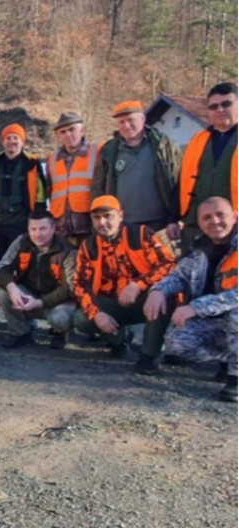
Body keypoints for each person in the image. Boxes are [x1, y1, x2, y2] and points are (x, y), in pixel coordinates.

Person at [145, 197, 237, 403]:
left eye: (220, 215)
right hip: (214, 322)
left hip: (231, 315)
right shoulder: (199, 248)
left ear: (234, 216)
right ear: (200, 223)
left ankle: (235, 377)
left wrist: (195, 307)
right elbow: (179, 275)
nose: (214, 221)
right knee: (176, 343)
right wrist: (158, 291)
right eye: (207, 217)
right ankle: (232, 358)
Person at [73, 196, 177, 374]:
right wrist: (97, 314)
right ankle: (119, 340)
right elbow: (80, 284)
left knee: (162, 297)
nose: (102, 222)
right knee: (81, 319)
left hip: (142, 298)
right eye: (97, 218)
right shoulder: (88, 246)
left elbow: (168, 265)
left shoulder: (141, 234)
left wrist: (137, 285)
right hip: (112, 302)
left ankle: (149, 354)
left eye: (108, 216)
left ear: (120, 216)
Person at [91, 101, 181, 238]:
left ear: (143, 119)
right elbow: (98, 188)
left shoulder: (164, 145)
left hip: (161, 225)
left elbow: (179, 182)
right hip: (123, 226)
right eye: (121, 122)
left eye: (130, 120)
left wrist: (175, 219)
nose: (126, 125)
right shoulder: (108, 151)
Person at [0, 211, 78, 350]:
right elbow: (2, 268)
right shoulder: (21, 242)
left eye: (43, 229)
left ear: (53, 229)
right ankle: (21, 333)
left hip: (57, 300)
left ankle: (61, 333)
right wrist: (12, 288)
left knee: (60, 317)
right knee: (2, 292)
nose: (38, 234)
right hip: (30, 293)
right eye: (33, 229)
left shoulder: (68, 250)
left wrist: (39, 303)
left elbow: (69, 288)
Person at [177, 83, 238, 253]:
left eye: (226, 104)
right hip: (196, 225)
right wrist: (173, 219)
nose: (220, 109)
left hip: (233, 227)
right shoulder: (198, 140)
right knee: (192, 276)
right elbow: (182, 182)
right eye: (214, 106)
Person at [0, 124, 47, 259]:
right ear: (3, 142)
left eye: (15, 138)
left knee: (19, 262)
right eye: (8, 138)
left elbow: (40, 196)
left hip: (20, 225)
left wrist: (35, 222)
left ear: (22, 141)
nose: (12, 141)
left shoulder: (32, 163)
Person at [46, 112, 98, 247]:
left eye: (72, 129)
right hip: (61, 226)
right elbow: (49, 190)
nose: (68, 135)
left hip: (88, 225)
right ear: (58, 136)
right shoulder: (52, 158)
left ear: (82, 130)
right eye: (63, 132)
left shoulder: (98, 152)